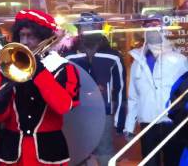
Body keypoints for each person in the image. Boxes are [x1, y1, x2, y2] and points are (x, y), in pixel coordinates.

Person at [0, 9, 80, 166]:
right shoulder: (8, 67)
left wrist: (40, 72)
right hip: (12, 152)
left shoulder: (63, 68)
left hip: (48, 152)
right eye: (22, 36)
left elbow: (63, 106)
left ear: (45, 38)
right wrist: (2, 94)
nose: (24, 42)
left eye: (31, 36)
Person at [124, 17, 188, 166]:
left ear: (164, 29)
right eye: (148, 25)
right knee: (149, 162)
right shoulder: (137, 63)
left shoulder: (178, 60)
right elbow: (133, 97)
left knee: (173, 161)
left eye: (156, 25)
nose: (152, 28)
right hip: (148, 122)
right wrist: (129, 126)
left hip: (172, 121)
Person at [67, 13, 127, 165]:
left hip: (104, 113)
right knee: (78, 153)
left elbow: (119, 90)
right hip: (77, 113)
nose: (89, 30)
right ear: (79, 30)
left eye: (93, 27)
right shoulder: (69, 57)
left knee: (105, 153)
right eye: (84, 27)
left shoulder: (113, 56)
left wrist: (120, 121)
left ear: (100, 28)